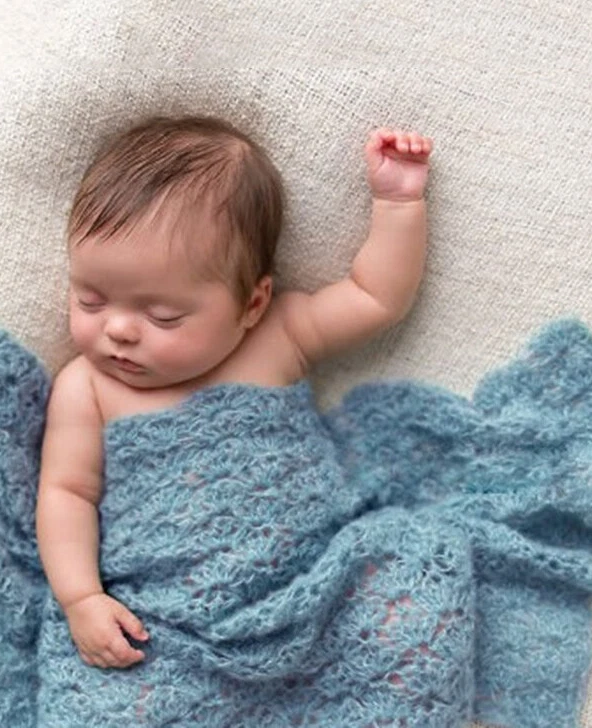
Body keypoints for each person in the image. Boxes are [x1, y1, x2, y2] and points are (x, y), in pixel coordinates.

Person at [35, 114, 433, 670]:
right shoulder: (87, 386)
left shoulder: (277, 334)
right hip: (167, 620)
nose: (118, 329)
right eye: (91, 300)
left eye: (164, 314)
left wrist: (397, 205)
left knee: (406, 625)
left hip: (311, 588)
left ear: (251, 304)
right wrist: (81, 599)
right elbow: (66, 493)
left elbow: (375, 298)